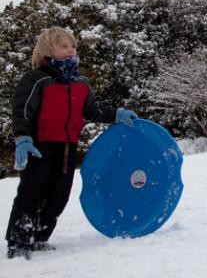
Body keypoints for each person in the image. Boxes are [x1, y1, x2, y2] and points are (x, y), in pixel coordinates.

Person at [6, 27, 138, 260]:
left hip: (67, 148)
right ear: (48, 49)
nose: (70, 50)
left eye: (72, 46)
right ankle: (19, 241)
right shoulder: (37, 80)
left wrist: (116, 114)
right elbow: (22, 111)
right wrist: (23, 138)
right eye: (63, 46)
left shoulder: (80, 82)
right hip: (39, 145)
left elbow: (92, 109)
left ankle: (39, 236)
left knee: (59, 195)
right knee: (32, 192)